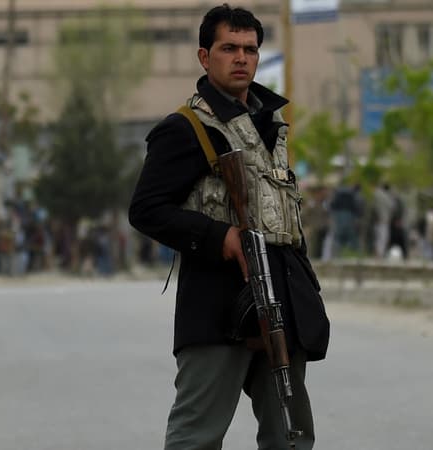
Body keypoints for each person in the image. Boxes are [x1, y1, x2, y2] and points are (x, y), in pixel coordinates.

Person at [128, 5, 330, 449]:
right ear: (205, 57)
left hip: (280, 299)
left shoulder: (269, 123)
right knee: (196, 437)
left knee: (291, 437)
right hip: (219, 302)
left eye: (250, 49)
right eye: (229, 48)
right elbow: (146, 209)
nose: (241, 58)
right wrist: (220, 237)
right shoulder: (185, 129)